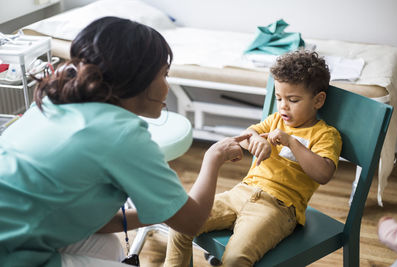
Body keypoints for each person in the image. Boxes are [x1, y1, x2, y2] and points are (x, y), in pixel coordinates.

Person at [0, 17, 250, 267]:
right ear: (137, 77)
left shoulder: (54, 103)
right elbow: (191, 222)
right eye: (164, 74)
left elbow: (99, 223)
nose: (166, 86)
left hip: (16, 227)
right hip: (10, 253)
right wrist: (214, 157)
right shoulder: (121, 133)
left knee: (106, 246)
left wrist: (161, 208)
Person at [164, 51, 343, 266]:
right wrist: (257, 140)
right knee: (180, 226)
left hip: (279, 208)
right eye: (279, 98)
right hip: (241, 192)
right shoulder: (275, 119)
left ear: (318, 100)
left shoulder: (325, 134)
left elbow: (323, 174)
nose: (283, 106)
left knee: (235, 259)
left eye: (293, 100)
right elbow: (245, 137)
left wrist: (292, 142)